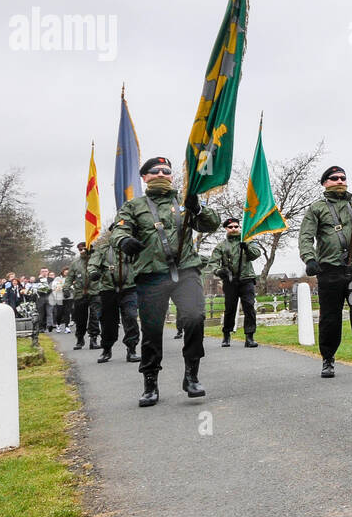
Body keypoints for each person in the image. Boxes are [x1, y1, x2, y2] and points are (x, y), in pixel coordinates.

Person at [109, 155, 220, 407]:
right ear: (145, 177)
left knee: (194, 318)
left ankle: (191, 376)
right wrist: (124, 240)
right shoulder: (134, 206)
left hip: (186, 271)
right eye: (155, 171)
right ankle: (150, 383)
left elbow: (211, 224)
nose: (161, 174)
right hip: (151, 274)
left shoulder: (184, 201)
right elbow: (119, 229)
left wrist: (198, 208)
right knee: (152, 330)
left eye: (166, 171)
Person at [298, 166, 352, 381]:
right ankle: (328, 359)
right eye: (334, 178)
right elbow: (305, 236)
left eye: (343, 177)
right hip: (330, 273)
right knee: (330, 317)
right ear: (325, 183)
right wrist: (309, 259)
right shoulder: (316, 208)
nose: (339, 180)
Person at [88, 233, 140, 363]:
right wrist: (93, 272)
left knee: (131, 317)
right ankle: (106, 349)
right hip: (108, 290)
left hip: (129, 288)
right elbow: (93, 263)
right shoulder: (103, 249)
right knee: (108, 322)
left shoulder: (133, 248)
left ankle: (132, 349)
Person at [213, 217, 262, 348]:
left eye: (236, 226)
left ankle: (250, 336)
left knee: (249, 307)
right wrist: (219, 271)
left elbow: (256, 254)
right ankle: (227, 335)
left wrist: (246, 247)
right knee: (230, 308)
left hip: (247, 279)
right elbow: (212, 263)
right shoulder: (221, 246)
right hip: (230, 281)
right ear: (226, 229)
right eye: (230, 227)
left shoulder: (248, 241)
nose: (233, 229)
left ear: (240, 227)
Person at [66, 243, 100, 350]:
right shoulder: (75, 263)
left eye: (83, 249)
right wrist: (66, 288)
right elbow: (69, 277)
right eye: (80, 249)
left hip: (95, 292)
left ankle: (93, 339)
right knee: (80, 318)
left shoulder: (96, 261)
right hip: (80, 293)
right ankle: (80, 339)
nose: (82, 251)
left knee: (95, 316)